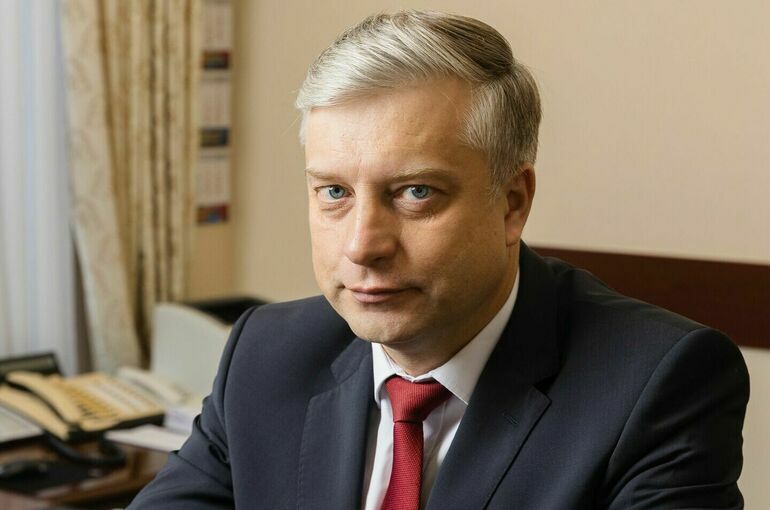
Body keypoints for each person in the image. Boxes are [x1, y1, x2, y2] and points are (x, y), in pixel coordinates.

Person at [128, 10, 749, 510]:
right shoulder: (266, 355)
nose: (362, 245)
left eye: (416, 192)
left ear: (512, 202)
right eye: (335, 192)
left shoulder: (657, 382)